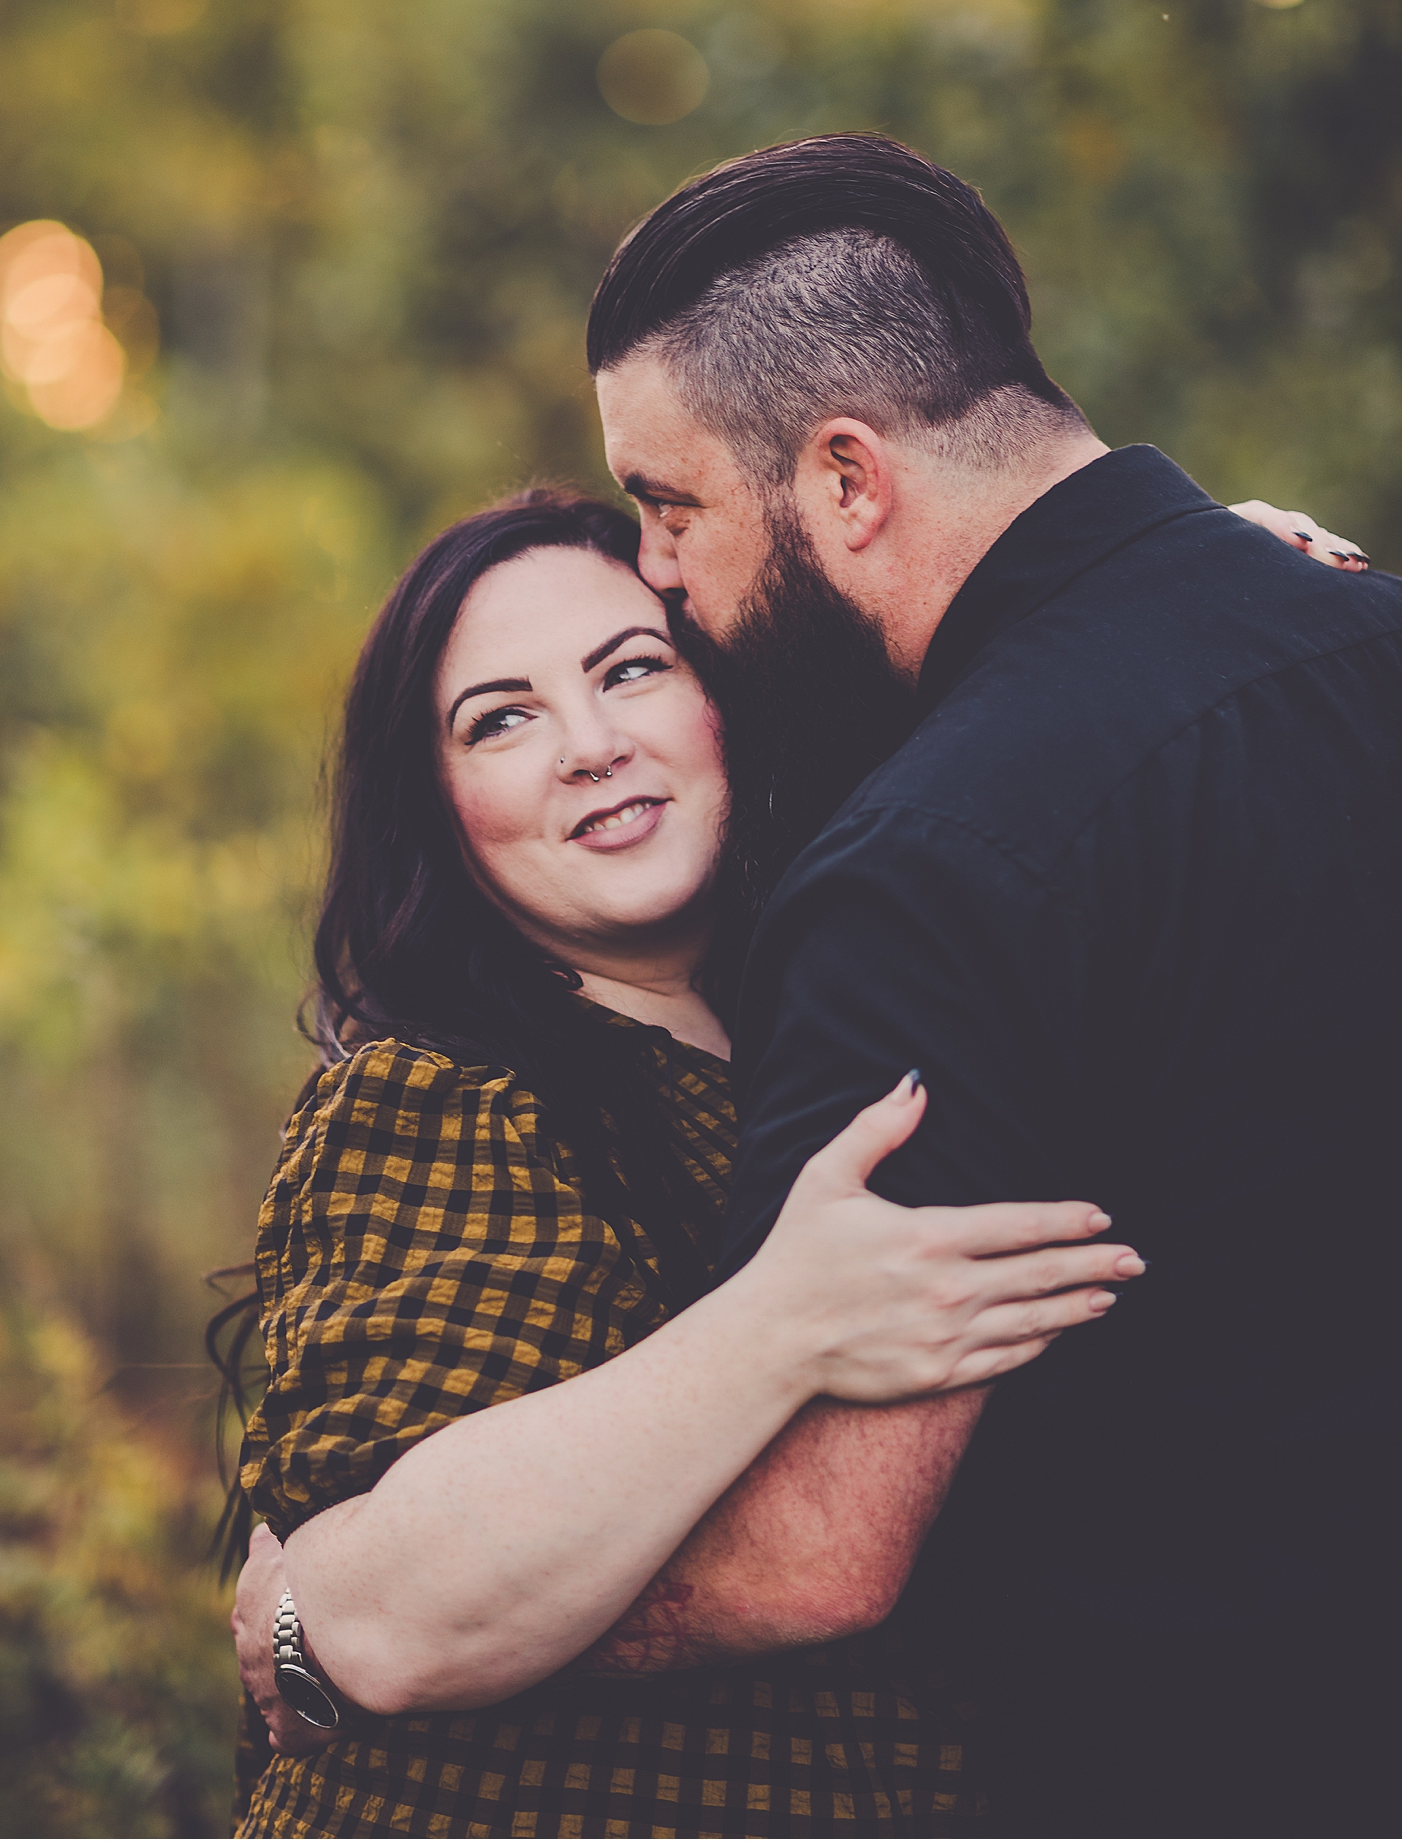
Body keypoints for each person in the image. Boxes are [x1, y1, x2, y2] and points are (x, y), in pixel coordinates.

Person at [585, 132, 1399, 1842]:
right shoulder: (1367, 630)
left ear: (849, 482)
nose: (657, 572)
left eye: (672, 508)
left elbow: (817, 1551)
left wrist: (385, 1625)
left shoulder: (930, 870)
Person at [227, 489, 1151, 1839]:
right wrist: (782, 1320)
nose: (591, 747)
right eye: (503, 717)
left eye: (632, 669)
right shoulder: (437, 1097)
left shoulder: (847, 1032)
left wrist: (1172, 579)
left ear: (727, 695)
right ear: (438, 807)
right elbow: (396, 1614)